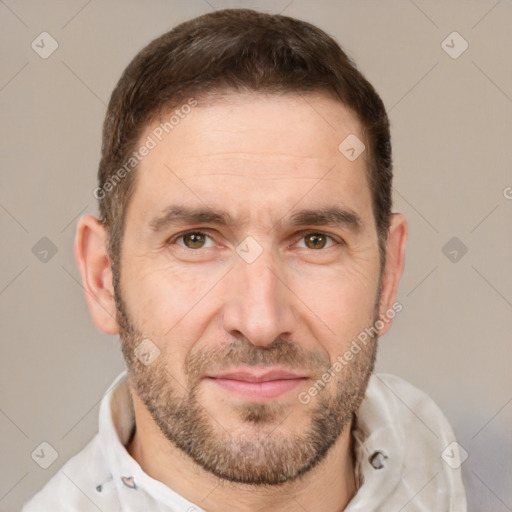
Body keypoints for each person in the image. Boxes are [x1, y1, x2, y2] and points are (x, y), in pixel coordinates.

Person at [23, 8, 467, 511]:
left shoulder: (422, 441)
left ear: (387, 275)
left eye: (315, 240)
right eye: (195, 240)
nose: (260, 322)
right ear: (104, 279)